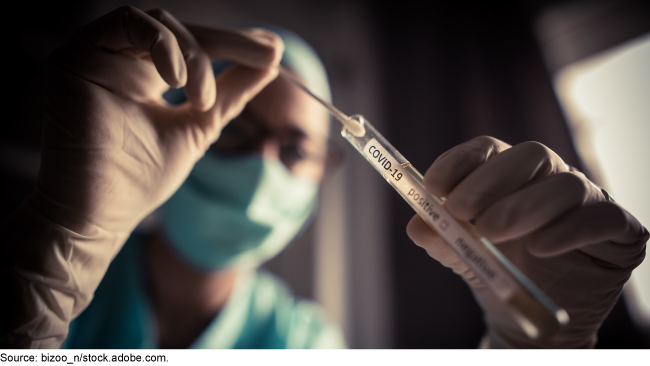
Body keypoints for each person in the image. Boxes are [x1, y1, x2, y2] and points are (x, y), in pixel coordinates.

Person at [0, 6, 647, 349]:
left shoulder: (304, 342)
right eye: (234, 132)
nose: (260, 167)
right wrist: (63, 239)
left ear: (323, 172)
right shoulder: (45, 278)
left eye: (294, 148)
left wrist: (537, 351)